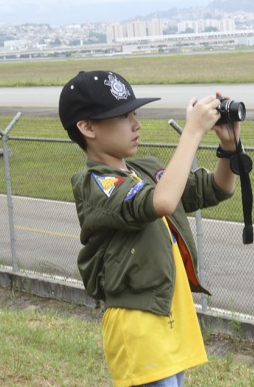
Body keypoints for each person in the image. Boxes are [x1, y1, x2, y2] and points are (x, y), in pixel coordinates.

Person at [58, 70, 239, 387]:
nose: (135, 123)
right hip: (137, 325)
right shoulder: (94, 183)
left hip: (170, 317)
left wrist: (228, 146)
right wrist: (192, 132)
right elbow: (162, 202)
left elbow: (218, 188)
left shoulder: (145, 169)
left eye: (134, 113)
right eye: (122, 116)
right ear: (87, 127)